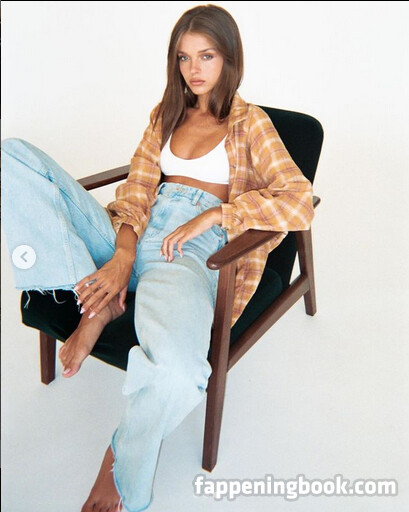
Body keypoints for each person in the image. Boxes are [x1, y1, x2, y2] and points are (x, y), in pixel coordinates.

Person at [1, 4, 314, 512]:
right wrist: (123, 254)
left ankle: (122, 454)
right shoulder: (165, 113)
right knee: (12, 155)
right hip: (130, 231)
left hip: (186, 251)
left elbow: (299, 201)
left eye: (207, 56)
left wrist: (215, 215)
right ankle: (103, 297)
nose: (194, 69)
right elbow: (139, 188)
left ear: (229, 58)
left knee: (178, 372)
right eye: (184, 57)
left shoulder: (250, 122)